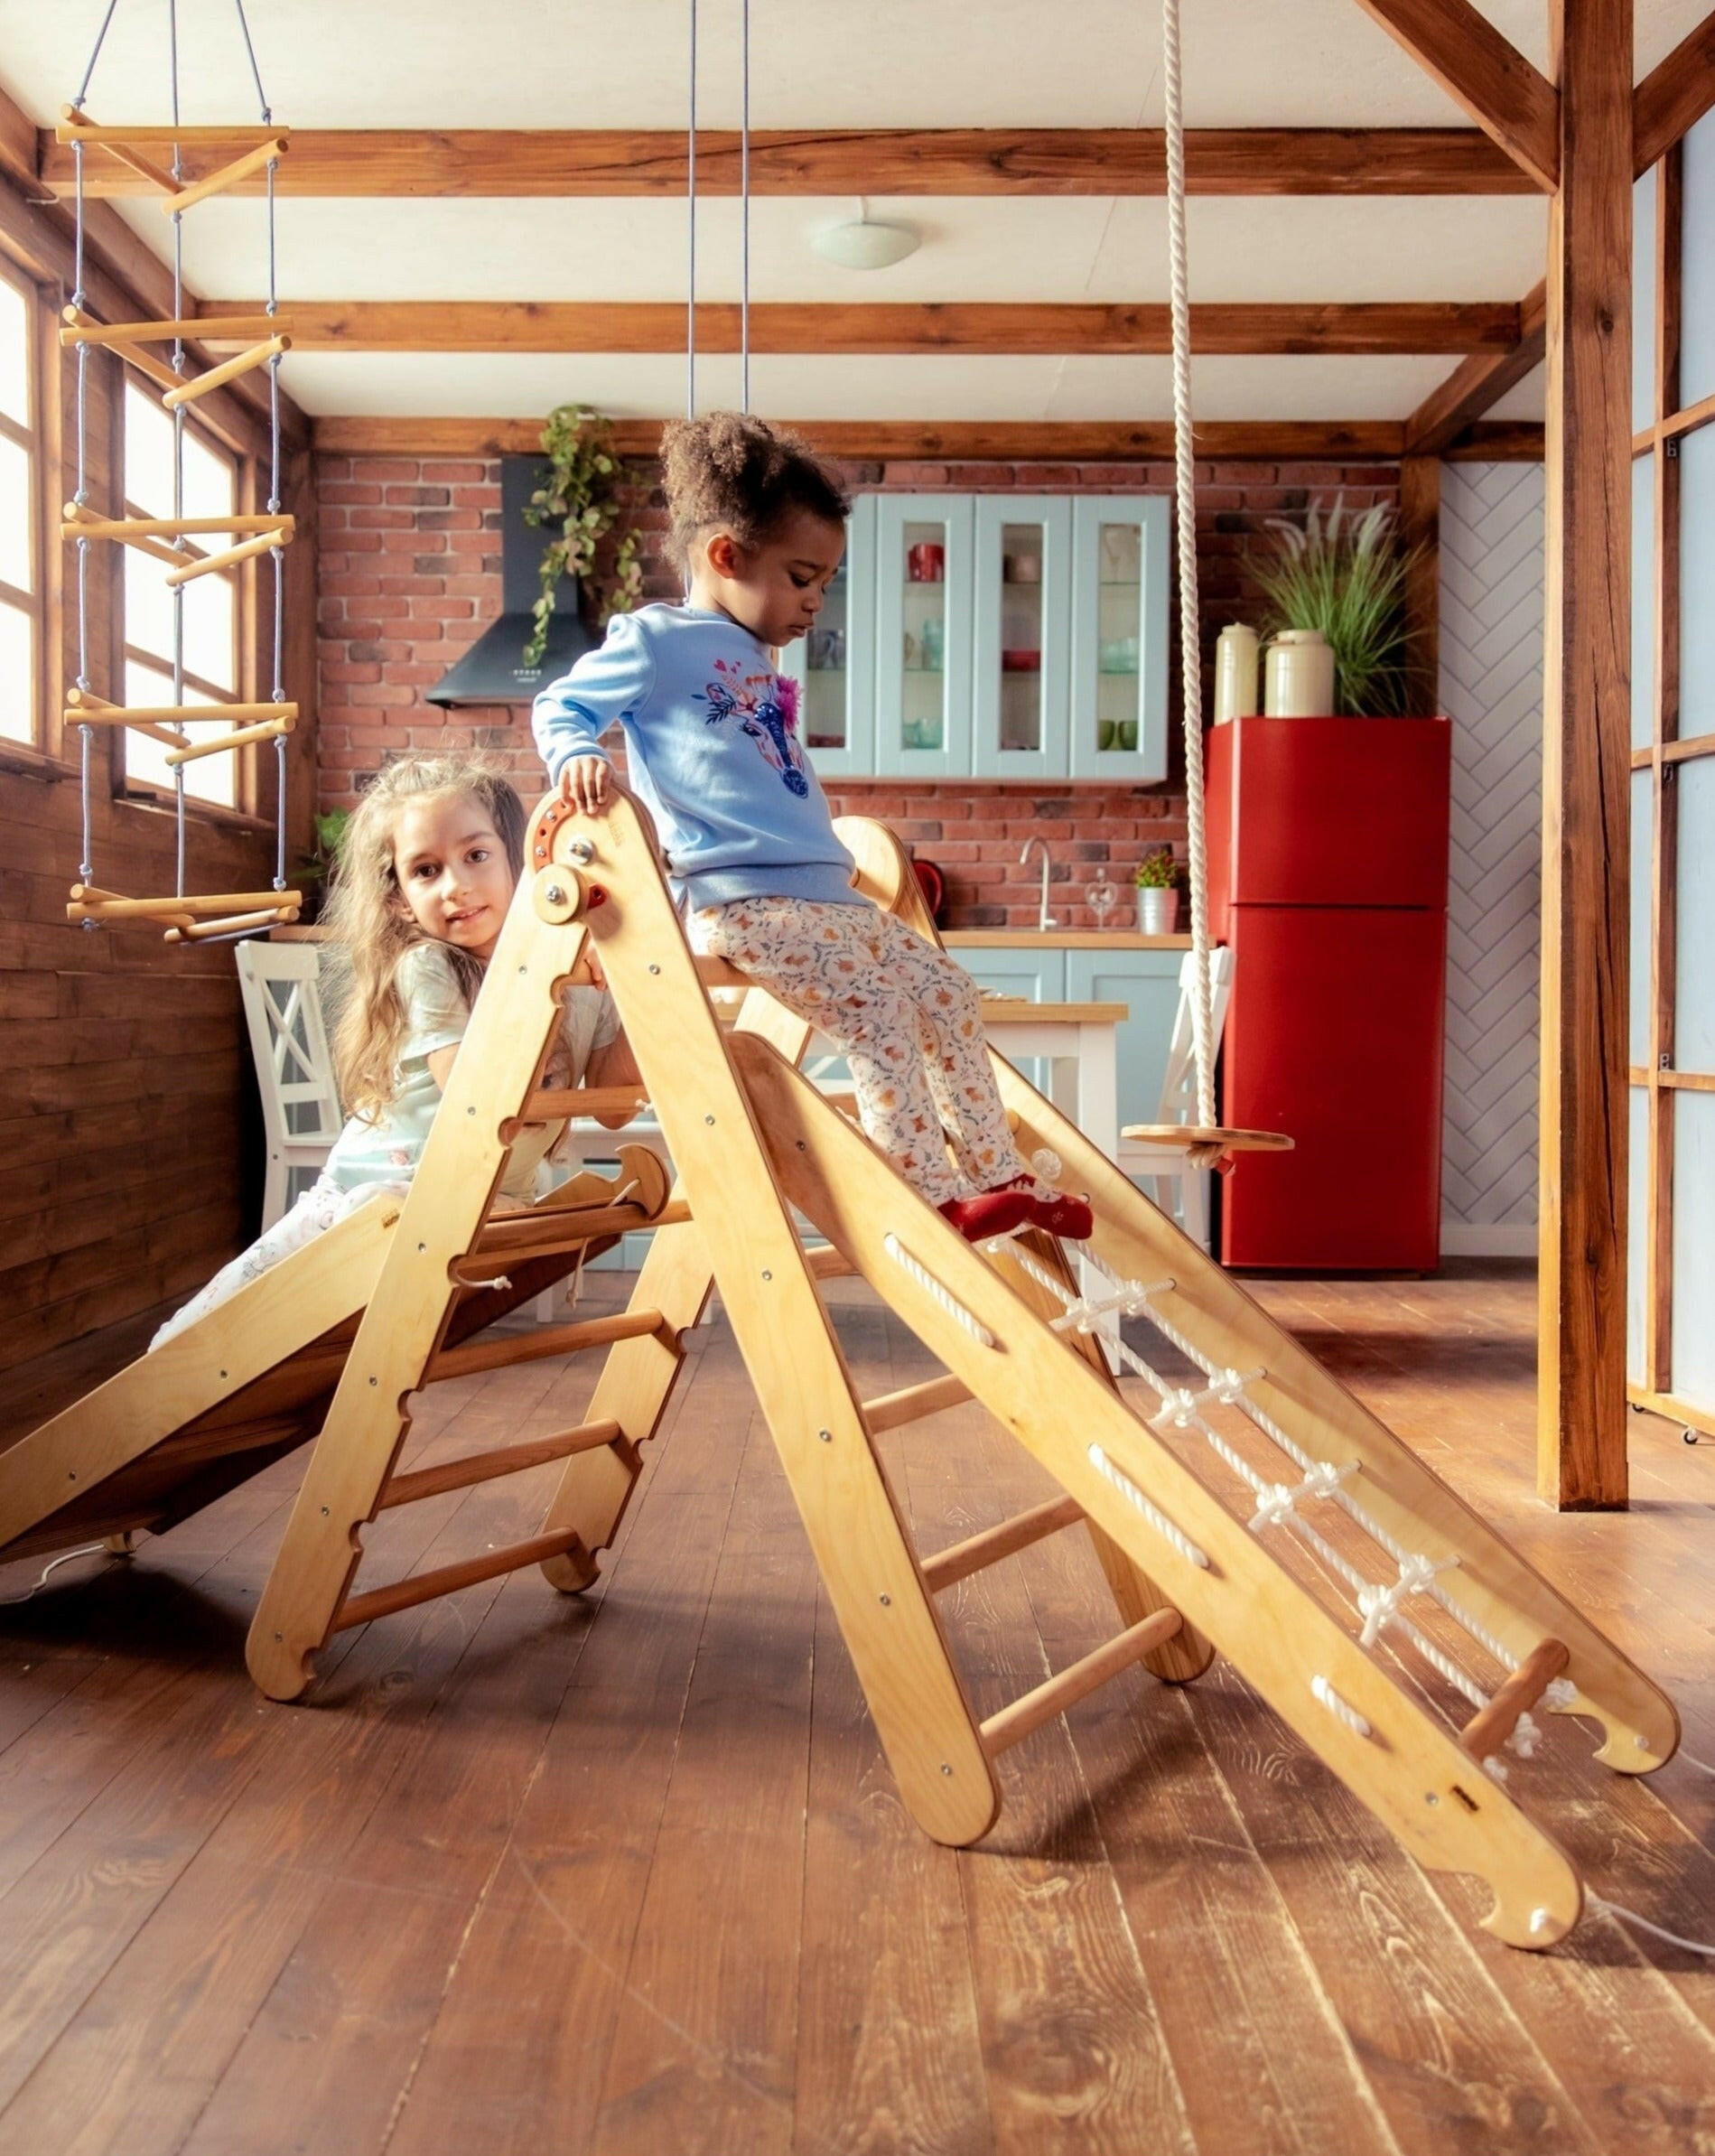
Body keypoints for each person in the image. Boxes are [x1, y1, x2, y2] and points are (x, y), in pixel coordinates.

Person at [531, 411, 1092, 1244]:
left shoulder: (754, 655)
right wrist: (577, 751)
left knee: (945, 992)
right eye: (801, 578)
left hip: (825, 894)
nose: (814, 602)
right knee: (877, 1012)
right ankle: (928, 1195)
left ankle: (993, 1170)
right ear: (726, 556)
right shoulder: (655, 639)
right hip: (744, 900)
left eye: (824, 582)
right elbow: (561, 703)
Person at [151, 754, 638, 1349]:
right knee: (194, 1341)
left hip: (482, 1202)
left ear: (519, 861)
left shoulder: (584, 975)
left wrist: (635, 983)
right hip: (371, 1199)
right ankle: (157, 1369)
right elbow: (476, 1096)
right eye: (427, 870)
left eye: (476, 856)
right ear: (401, 900)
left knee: (298, 1350)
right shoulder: (428, 965)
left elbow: (615, 1108)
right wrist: (552, 979)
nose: (456, 886)